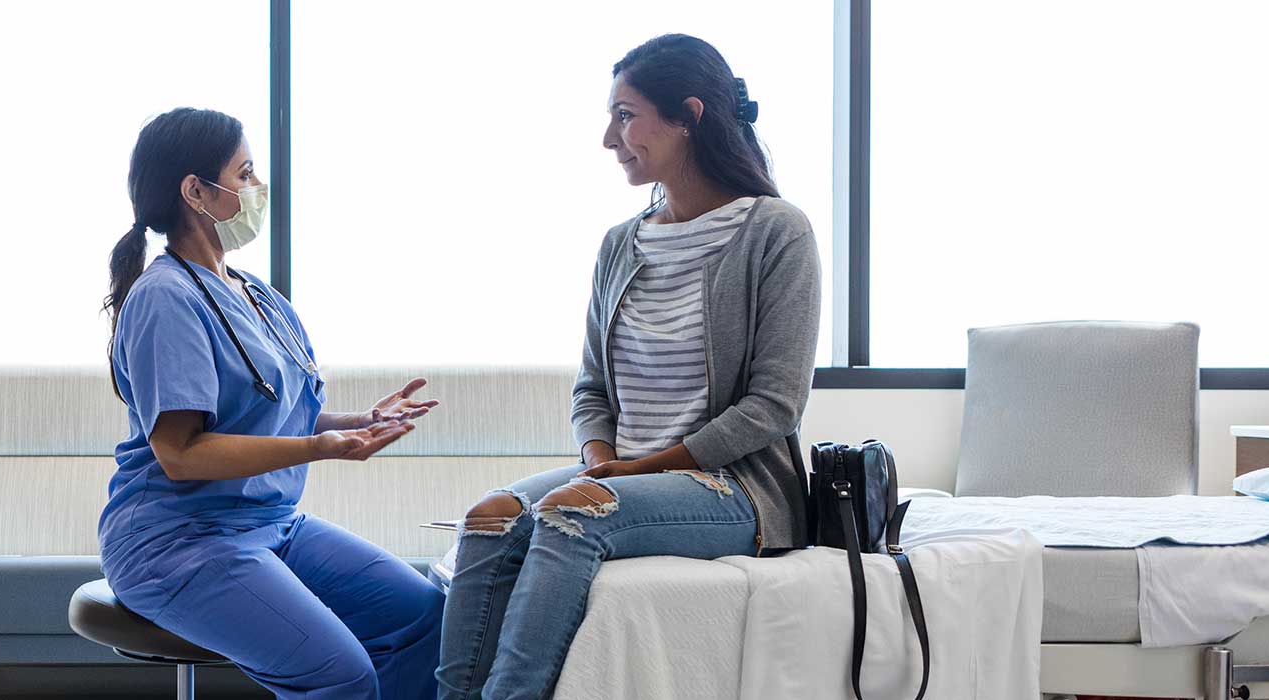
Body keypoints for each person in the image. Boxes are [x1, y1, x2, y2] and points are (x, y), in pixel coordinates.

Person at [434, 34, 822, 699]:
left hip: (733, 488)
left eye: (624, 114)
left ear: (688, 116)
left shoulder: (777, 231)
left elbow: (774, 405)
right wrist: (600, 456)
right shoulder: (622, 243)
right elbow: (591, 387)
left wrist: (632, 472)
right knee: (491, 516)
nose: (610, 138)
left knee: (572, 513)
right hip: (622, 470)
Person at [97, 106, 444, 699]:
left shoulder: (256, 294)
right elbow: (181, 453)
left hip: (270, 524)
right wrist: (320, 447)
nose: (259, 188)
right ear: (196, 192)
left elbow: (273, 412)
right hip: (178, 540)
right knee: (340, 674)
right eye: (246, 172)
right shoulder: (165, 299)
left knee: (424, 618)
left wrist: (357, 422)